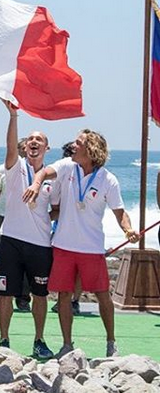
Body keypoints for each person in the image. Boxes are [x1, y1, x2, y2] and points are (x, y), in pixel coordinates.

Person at [23, 129, 140, 358]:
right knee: (64, 295)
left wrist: (128, 230)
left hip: (92, 248)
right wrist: (37, 183)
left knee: (102, 295)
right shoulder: (68, 165)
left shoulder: (108, 179)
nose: (73, 146)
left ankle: (111, 343)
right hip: (63, 246)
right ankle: (67, 345)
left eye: (79, 143)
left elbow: (120, 213)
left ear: (91, 149)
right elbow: (46, 171)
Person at [0, 101, 55, 359]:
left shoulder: (55, 175)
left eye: (39, 139)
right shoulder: (15, 165)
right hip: (10, 239)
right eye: (30, 139)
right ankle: (4, 339)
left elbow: (59, 209)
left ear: (46, 147)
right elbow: (10, 146)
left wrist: (41, 217)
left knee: (39, 295)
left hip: (41, 244)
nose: (33, 142)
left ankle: (39, 340)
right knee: (5, 293)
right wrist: (13, 115)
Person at [0, 138, 31, 313]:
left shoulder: (37, 169)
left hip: (28, 220)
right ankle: (0, 297)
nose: (25, 149)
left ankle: (23, 299)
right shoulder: (3, 168)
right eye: (22, 147)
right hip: (5, 217)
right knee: (4, 262)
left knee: (26, 262)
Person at [51, 141, 82, 315]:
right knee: (64, 268)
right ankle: (63, 300)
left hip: (84, 229)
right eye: (71, 151)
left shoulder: (90, 170)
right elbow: (55, 203)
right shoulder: (62, 171)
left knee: (78, 271)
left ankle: (75, 300)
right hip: (62, 226)